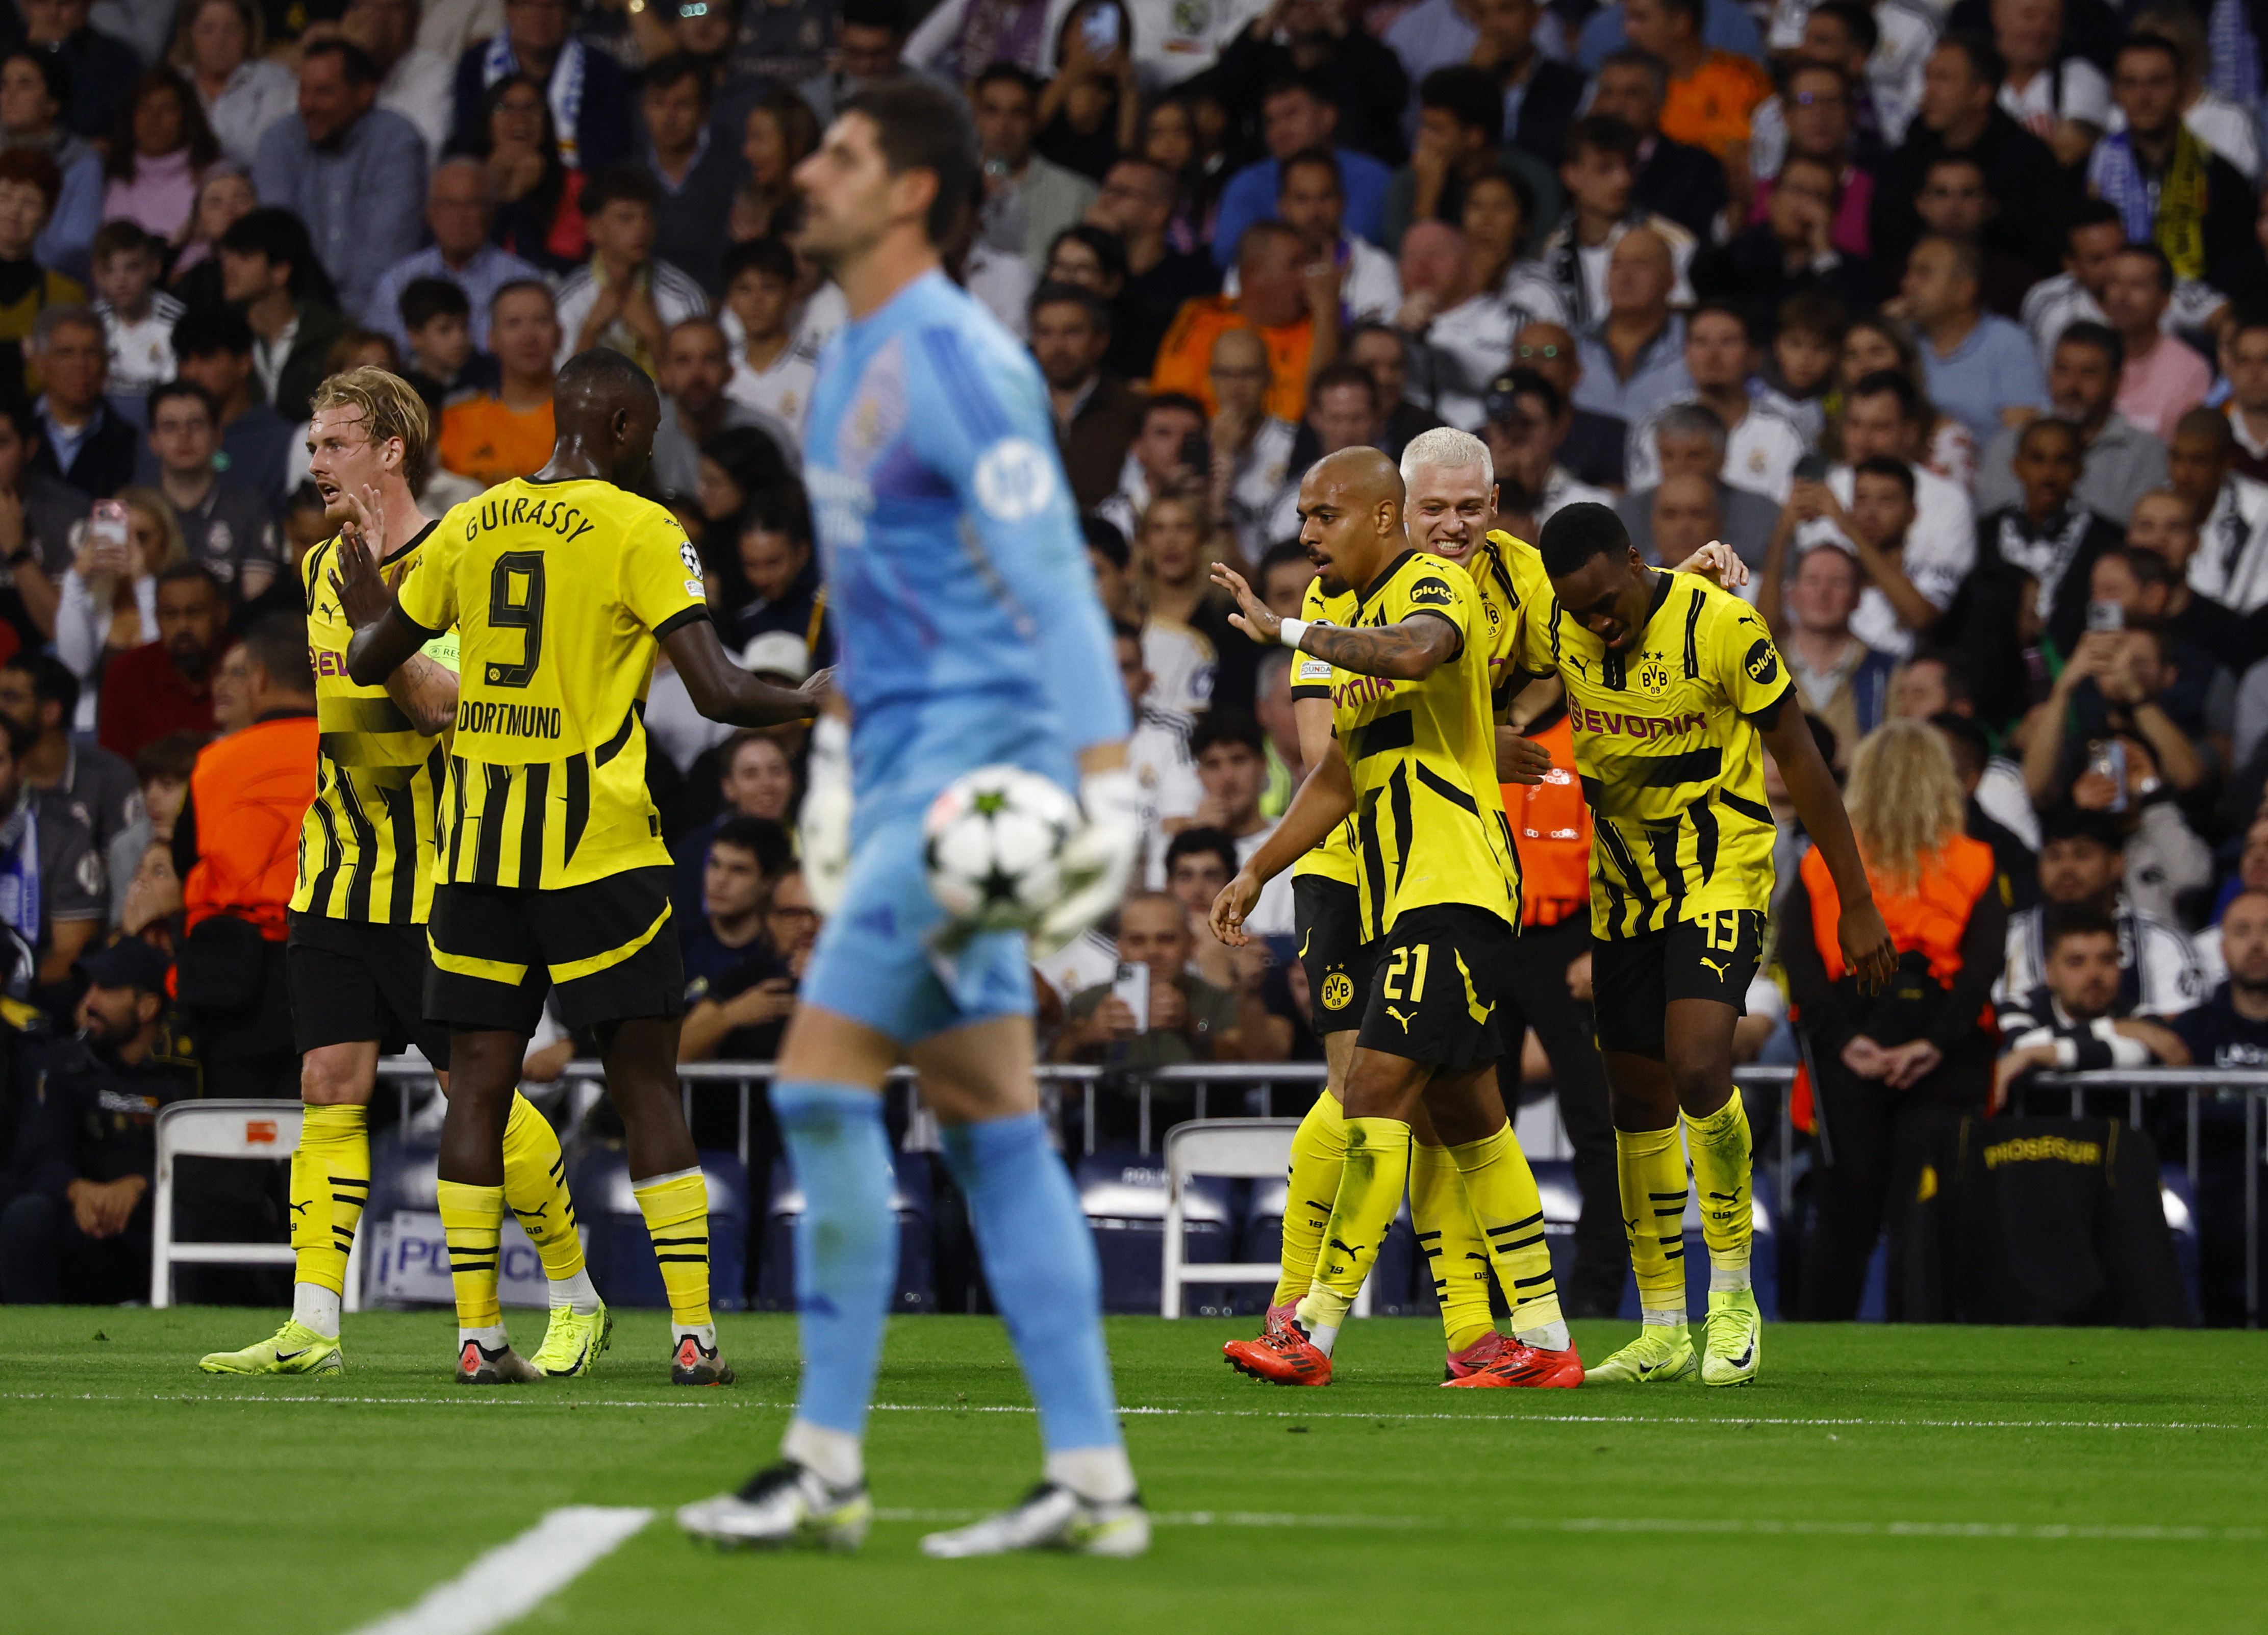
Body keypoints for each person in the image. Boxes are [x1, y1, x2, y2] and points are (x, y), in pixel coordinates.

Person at [663, 78, 1155, 1557]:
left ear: (916, 195)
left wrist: (1102, 784)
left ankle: (822, 1456)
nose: (806, 171)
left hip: (977, 786)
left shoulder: (950, 355)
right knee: (993, 1125)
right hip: (899, 777)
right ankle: (1092, 1476)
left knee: (816, 1087)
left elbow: (1057, 583)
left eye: (843, 154)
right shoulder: (853, 351)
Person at [338, 341, 820, 1389]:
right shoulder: (643, 528)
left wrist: (374, 599)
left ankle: (476, 1337)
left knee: (476, 1085)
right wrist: (813, 693)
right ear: (613, 428)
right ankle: (692, 1336)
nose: (650, 450)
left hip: (477, 854)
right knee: (648, 1079)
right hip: (596, 847)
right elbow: (720, 691)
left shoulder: (473, 519)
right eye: (644, 433)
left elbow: (377, 663)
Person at [197, 365, 609, 1378]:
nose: (317, 463)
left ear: (393, 449)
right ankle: (314, 1325)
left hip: (445, 877)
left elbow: (447, 707)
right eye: (312, 446)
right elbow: (349, 723)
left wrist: (383, 612)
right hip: (336, 868)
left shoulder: (469, 558)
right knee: (326, 1081)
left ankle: (573, 1288)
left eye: (336, 443)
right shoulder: (314, 567)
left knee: (470, 1088)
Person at [1204, 444, 1575, 1394]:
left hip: (1453, 884)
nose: (1303, 534)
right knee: (1470, 1117)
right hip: (1400, 888)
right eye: (1299, 516)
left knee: (1371, 1088)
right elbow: (1336, 774)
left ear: (1380, 516)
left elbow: (1416, 652)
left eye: (1320, 515)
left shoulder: (1435, 587)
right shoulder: (1350, 612)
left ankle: (1311, 1329)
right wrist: (1257, 868)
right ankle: (1537, 1337)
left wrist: (1284, 630)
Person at [1515, 500, 1895, 1385]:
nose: (1599, 622)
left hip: (1720, 872)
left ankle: (1730, 1294)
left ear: (1636, 564)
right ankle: (1659, 1329)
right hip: (1622, 894)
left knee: (1696, 1067)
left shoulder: (1724, 626)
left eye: (1610, 600)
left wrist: (1856, 900)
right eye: (1582, 611)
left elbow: (1801, 758)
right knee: (1636, 1102)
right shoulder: (1563, 627)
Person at [1782, 718, 2008, 1317]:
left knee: (1842, 1213)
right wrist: (1932, 1045)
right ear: (1943, 783)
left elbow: (1801, 969)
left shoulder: (1821, 864)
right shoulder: (1975, 862)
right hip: (1942, 1057)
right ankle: (1930, 1337)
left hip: (1847, 1053)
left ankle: (1817, 1345)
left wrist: (1848, 1042)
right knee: (1927, 1214)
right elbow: (1983, 970)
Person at [0, 939, 195, 1303]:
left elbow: (202, 1167)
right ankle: (32, 1347)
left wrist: (140, 1186)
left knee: (195, 1220)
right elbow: (39, 1154)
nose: (89, 1002)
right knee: (26, 1217)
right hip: (82, 1220)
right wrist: (77, 1190)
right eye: (90, 988)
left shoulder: (180, 1077)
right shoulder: (65, 1066)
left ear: (148, 1006)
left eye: (106, 990)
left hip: (150, 1220)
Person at [1872, 34, 2075, 278]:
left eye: (1944, 80)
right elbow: (1888, 240)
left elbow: (2041, 244)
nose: (1929, 92)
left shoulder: (2028, 162)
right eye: (1928, 78)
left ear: (1982, 93)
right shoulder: (1905, 160)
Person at [251, 40, 426, 323]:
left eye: (324, 92)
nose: (307, 105)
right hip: (297, 317)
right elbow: (279, 245)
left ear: (364, 93)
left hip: (376, 318)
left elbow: (387, 254)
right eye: (303, 91)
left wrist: (342, 331)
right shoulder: (279, 140)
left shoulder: (397, 141)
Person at [1994, 803, 2204, 1017]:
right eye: (2054, 856)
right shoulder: (2005, 939)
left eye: (2082, 855)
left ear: (2117, 864)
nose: (2066, 868)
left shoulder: (2162, 943)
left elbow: (2180, 1035)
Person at [2086, 33, 2253, 297]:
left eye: (2157, 83)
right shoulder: (2092, 170)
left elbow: (2236, 273)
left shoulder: (2221, 179)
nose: (2143, 97)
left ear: (2182, 88)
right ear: (2115, 92)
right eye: (2130, 84)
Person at [2168, 887, 2268, 1324]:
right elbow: (2180, 1115)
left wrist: (2226, 1107)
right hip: (2215, 1188)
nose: (2258, 943)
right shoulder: (2195, 1027)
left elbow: (2207, 1112)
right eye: (2243, 931)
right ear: (2222, 947)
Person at [1993, 900, 2190, 1110]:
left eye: (2106, 960)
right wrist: (2116, 1029)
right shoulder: (2017, 1007)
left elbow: (2135, 1054)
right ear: (2050, 973)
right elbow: (2024, 1045)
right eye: (2076, 962)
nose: (2094, 975)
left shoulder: (2142, 1017)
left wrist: (2034, 1056)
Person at [1975, 322, 2169, 525]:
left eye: (2088, 373)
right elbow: (1994, 526)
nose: (2072, 385)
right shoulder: (2009, 444)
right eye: (2063, 370)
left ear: (2116, 382)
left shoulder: (2146, 453)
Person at [1207, 72, 1390, 274]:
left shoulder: (1370, 175)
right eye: (1271, 122)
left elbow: (1362, 236)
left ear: (1328, 117)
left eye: (1291, 115)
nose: (1280, 130)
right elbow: (1227, 254)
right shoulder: (1246, 184)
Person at [1624, 304, 1809, 502]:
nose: (1712, 355)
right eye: (1700, 342)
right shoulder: (1655, 426)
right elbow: (1644, 508)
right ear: (1686, 354)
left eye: (1728, 342)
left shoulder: (1781, 432)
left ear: (1754, 357)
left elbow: (1787, 515)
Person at [1972, 416, 2124, 657]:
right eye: (2037, 459)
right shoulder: (1982, 534)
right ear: (2017, 466)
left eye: (2062, 461)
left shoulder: (2110, 541)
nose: (2049, 474)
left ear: (2080, 469)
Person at [364, 159, 546, 354]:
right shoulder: (396, 283)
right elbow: (378, 364)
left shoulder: (526, 282)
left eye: (471, 204)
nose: (459, 217)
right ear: (430, 213)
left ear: (492, 213)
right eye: (448, 204)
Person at [554, 165, 711, 378]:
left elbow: (699, 389)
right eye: (626, 219)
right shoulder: (568, 299)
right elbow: (561, 395)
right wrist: (591, 331)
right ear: (594, 229)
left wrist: (656, 336)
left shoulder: (684, 296)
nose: (641, 229)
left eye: (647, 217)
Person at [447, 0, 633, 175]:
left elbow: (604, 153)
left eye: (551, 6)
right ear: (509, 10)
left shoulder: (600, 70)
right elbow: (469, 141)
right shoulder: (476, 63)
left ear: (569, 13)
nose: (541, 16)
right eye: (529, 4)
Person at [1899, 233, 2047, 444]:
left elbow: (2018, 438)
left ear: (1964, 290)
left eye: (1924, 273)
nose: (1907, 283)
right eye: (1909, 272)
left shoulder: (2007, 342)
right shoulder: (1901, 339)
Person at [146, 381, 280, 600]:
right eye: (170, 426)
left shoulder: (249, 511)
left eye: (196, 424)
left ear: (218, 434)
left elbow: (258, 603)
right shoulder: (138, 512)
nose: (184, 436)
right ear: (153, 441)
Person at [0, 707, 104, 986]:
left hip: (31, 994)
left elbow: (72, 954)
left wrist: (14, 987)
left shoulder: (64, 836)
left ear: (20, 768)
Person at [217, 208, 347, 426]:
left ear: (280, 271)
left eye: (245, 257)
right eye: (228, 256)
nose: (229, 267)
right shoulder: (223, 339)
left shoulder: (332, 339)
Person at [95, 560, 228, 760]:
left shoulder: (249, 666)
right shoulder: (128, 673)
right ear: (157, 619)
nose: (183, 626)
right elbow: (115, 767)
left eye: (195, 612)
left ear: (222, 614)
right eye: (170, 615)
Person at [167, 304, 294, 509]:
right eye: (185, 360)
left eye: (206, 357)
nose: (191, 373)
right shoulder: (166, 438)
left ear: (244, 363)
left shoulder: (282, 441)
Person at [637, 53, 743, 299]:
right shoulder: (624, 179)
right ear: (643, 108)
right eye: (659, 103)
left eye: (683, 105)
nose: (669, 117)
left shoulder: (736, 173)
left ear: (705, 112)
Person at [437, 279, 561, 486]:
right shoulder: (454, 420)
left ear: (559, 334)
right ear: (492, 339)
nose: (528, 337)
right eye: (513, 323)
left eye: (541, 322)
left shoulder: (585, 417)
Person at [1029, 280, 1138, 510]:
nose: (1057, 346)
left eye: (1072, 332)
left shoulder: (1132, 412)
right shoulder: (1009, 410)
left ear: (1100, 341)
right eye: (1045, 333)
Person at [1571, 227, 1694, 429]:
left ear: (1671, 281)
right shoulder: (1573, 346)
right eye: (1616, 265)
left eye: (1640, 265)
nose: (1625, 277)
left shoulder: (1694, 347)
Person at [1624, 0, 1770, 159]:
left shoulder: (1743, 78)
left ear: (1681, 22)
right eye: (1628, 19)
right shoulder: (1623, 86)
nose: (1628, 31)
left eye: (1641, 18)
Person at [2103, 243, 2210, 445]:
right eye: (2114, 283)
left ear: (2165, 299)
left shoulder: (2190, 369)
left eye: (2137, 285)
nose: (2122, 296)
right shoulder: (2085, 355)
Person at [174, 0, 296, 168]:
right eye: (208, 29)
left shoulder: (275, 82)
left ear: (248, 33)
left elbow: (270, 151)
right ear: (189, 35)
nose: (220, 41)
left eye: (231, 29)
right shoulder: (173, 85)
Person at [29, 305, 132, 498]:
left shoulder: (129, 439)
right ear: (39, 364)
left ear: (106, 364)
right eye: (66, 353)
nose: (80, 365)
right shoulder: (15, 430)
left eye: (91, 353)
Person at [88, 221, 180, 421]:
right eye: (109, 270)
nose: (121, 281)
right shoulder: (90, 324)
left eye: (132, 268)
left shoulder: (179, 323)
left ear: (155, 268)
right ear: (97, 275)